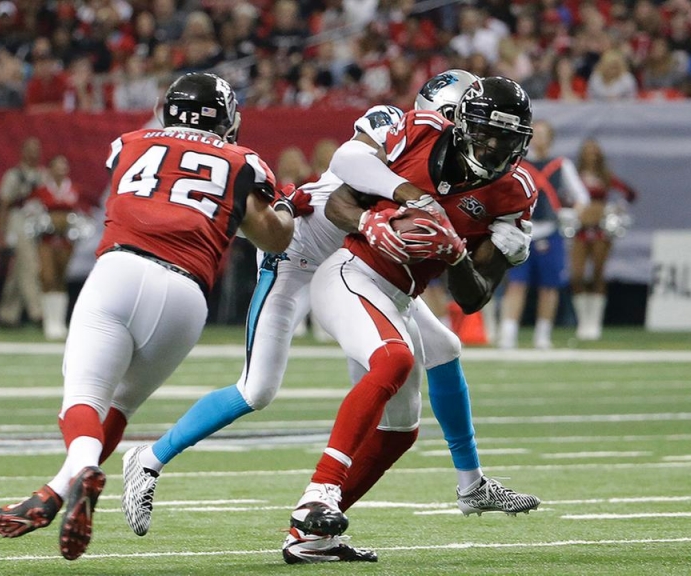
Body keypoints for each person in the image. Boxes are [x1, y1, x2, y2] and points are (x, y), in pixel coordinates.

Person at [118, 71, 539, 558]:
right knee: (258, 388)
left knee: (443, 350)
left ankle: (467, 484)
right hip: (300, 251)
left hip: (370, 264)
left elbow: (470, 277)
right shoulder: (399, 131)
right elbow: (347, 173)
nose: (485, 148)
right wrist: (396, 206)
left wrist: (469, 248)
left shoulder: (494, 182)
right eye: (453, 121)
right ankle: (148, 458)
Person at [0, 72, 302, 561]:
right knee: (121, 407)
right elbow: (273, 238)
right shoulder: (242, 161)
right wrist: (281, 201)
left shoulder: (130, 143)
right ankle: (54, 490)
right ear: (225, 118)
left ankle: (75, 476)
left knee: (84, 397)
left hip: (121, 270)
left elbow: (159, 190)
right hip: (186, 298)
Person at [289, 76, 537, 563]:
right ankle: (318, 493)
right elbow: (342, 185)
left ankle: (312, 540)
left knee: (401, 430)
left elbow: (474, 298)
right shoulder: (419, 131)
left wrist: (455, 255)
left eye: (506, 139)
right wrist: (381, 216)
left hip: (402, 296)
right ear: (460, 125)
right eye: (485, 134)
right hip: (350, 273)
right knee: (394, 360)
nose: (494, 147)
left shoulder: (514, 192)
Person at [498, 120, 589, 349]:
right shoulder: (517, 164)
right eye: (535, 134)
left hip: (550, 230)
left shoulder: (560, 164)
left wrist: (571, 214)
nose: (538, 139)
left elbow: (582, 197)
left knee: (549, 286)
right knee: (517, 284)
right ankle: (508, 333)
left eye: (543, 134)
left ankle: (543, 334)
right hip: (522, 231)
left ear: (551, 138)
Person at [569, 139, 637, 341]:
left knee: (598, 274)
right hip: (580, 229)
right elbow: (564, 195)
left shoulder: (605, 176)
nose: (591, 155)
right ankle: (583, 321)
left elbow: (630, 193)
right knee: (577, 275)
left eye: (594, 151)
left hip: (601, 230)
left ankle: (594, 323)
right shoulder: (575, 176)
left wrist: (615, 209)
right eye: (587, 151)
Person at [0, 137, 45, 329]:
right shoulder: (14, 175)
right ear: (22, 151)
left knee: (18, 271)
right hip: (18, 221)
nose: (34, 153)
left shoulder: (42, 175)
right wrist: (1, 235)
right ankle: (38, 312)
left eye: (37, 149)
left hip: (37, 222)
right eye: (30, 149)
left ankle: (7, 315)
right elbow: (3, 205)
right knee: (30, 265)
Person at [27, 154, 82, 340]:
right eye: (57, 166)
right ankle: (49, 321)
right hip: (47, 238)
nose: (61, 169)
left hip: (66, 238)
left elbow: (77, 212)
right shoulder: (41, 190)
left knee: (61, 278)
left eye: (64, 166)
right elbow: (32, 211)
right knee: (48, 277)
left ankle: (59, 322)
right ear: (50, 169)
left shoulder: (73, 188)